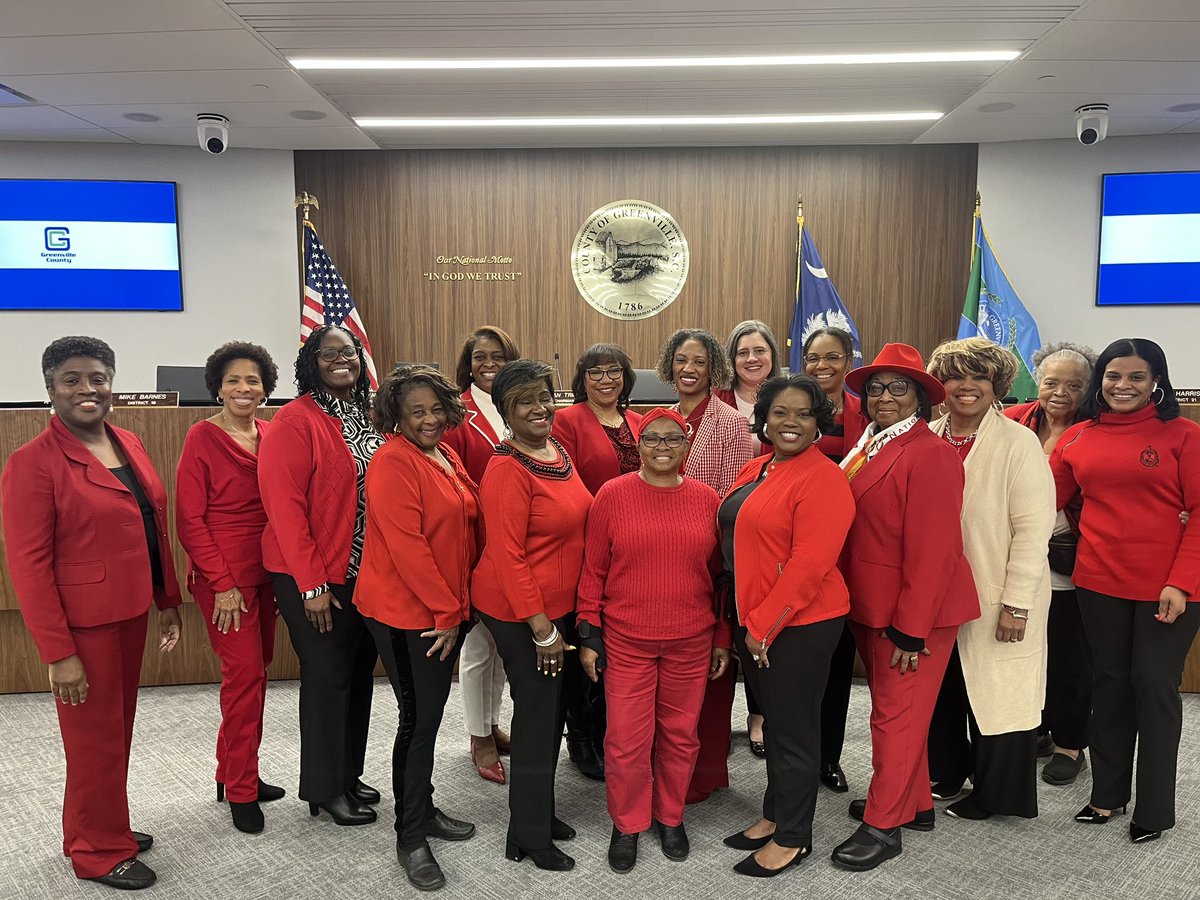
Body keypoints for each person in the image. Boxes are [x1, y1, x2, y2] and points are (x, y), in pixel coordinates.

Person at [1, 337, 183, 891]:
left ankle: (101, 826)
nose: (88, 389)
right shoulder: (31, 464)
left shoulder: (127, 440)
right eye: (72, 379)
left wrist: (167, 601)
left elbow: (151, 523)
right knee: (94, 741)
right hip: (83, 628)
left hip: (128, 612)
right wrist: (59, 653)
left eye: (98, 377)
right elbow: (29, 568)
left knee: (113, 733)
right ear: (49, 388)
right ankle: (98, 853)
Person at [829, 343, 979, 873]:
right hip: (871, 605)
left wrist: (911, 630)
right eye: (875, 388)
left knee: (893, 719)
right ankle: (913, 804)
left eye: (897, 388)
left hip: (915, 614)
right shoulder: (867, 443)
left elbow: (935, 551)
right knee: (902, 715)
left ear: (919, 396)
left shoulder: (930, 452)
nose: (883, 397)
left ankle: (883, 824)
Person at [1050, 338, 1200, 844]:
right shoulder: (1078, 438)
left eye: (1137, 377)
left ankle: (1154, 808)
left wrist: (1180, 582)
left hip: (1170, 588)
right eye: (1114, 376)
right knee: (1109, 685)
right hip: (1098, 582)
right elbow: (1041, 499)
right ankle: (1107, 795)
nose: (1123, 386)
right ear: (1101, 381)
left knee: (1154, 686)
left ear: (1157, 381)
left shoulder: (1184, 436)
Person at [576, 407, 728, 874]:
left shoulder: (708, 500)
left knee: (681, 737)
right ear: (637, 446)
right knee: (625, 738)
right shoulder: (612, 495)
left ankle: (670, 816)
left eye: (673, 439)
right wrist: (588, 633)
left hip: (691, 638)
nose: (663, 448)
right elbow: (593, 571)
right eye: (652, 439)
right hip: (626, 639)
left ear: (687, 446)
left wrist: (722, 636)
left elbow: (721, 577)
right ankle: (628, 823)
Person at [719, 374, 855, 878]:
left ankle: (795, 837)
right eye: (780, 412)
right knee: (776, 724)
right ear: (765, 419)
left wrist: (764, 627)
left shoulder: (824, 477)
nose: (790, 422)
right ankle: (776, 814)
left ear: (819, 420)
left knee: (794, 732)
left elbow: (809, 565)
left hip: (798, 624)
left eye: (802, 413)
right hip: (753, 616)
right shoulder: (759, 467)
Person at [355, 365, 479, 891]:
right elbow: (408, 548)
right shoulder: (391, 462)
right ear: (396, 418)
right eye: (416, 413)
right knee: (418, 721)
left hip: (442, 609)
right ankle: (410, 837)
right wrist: (447, 613)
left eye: (435, 409)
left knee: (427, 715)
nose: (429, 420)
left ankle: (423, 809)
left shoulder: (444, 454)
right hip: (409, 615)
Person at [924, 337, 1056, 820]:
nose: (966, 386)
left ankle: (998, 795)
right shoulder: (926, 434)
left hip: (998, 594)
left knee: (1000, 693)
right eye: (956, 375)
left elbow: (1033, 531)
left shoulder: (1017, 443)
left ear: (996, 385)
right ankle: (946, 772)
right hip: (936, 595)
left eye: (979, 377)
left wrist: (1017, 603)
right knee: (945, 688)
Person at [471, 360, 593, 871]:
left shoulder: (555, 451)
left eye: (545, 396)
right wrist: (541, 629)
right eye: (525, 401)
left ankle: (537, 808)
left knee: (552, 711)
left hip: (557, 606)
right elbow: (506, 556)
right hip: (521, 611)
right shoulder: (506, 470)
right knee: (539, 713)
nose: (540, 408)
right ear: (505, 411)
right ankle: (527, 834)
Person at [258, 324, 381, 826]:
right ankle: (324, 788)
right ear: (311, 362)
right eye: (328, 353)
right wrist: (312, 585)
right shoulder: (295, 420)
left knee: (357, 676)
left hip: (363, 574)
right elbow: (285, 511)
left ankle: (347, 774)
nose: (341, 360)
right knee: (328, 677)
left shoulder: (365, 415)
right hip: (312, 576)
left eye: (348, 352)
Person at [175, 341, 284, 835]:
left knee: (255, 674)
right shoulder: (202, 437)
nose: (245, 388)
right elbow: (188, 520)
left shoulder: (271, 433)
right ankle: (241, 789)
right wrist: (221, 584)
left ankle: (234, 772)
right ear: (218, 386)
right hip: (224, 581)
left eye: (254, 380)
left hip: (265, 574)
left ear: (266, 388)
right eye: (235, 380)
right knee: (243, 678)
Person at [656, 328, 753, 804]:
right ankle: (669, 765)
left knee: (712, 672)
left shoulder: (732, 424)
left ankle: (706, 770)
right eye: (680, 360)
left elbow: (734, 498)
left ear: (713, 366)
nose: (687, 368)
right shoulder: (659, 419)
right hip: (662, 558)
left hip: (710, 554)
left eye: (697, 360)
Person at [1005, 342, 1097, 786]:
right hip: (1017, 553)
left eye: (1074, 385)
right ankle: (1039, 728)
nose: (1060, 392)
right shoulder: (1013, 419)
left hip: (1068, 557)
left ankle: (1070, 743)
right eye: (1051, 382)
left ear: (1088, 389)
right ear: (1037, 383)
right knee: (1026, 649)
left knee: (1067, 656)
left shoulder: (1097, 430)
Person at [553, 343, 644, 781]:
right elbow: (564, 482)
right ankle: (582, 736)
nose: (605, 379)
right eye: (595, 372)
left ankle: (612, 731)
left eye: (613, 371)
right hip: (587, 544)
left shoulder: (641, 422)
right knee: (583, 642)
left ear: (626, 376)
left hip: (635, 554)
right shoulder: (567, 420)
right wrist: (613, 519)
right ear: (581, 378)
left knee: (620, 644)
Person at [442, 325, 520, 784]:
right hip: (476, 543)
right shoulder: (456, 414)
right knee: (476, 647)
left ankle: (492, 721)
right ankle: (479, 736)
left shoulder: (522, 404)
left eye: (498, 357)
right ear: (467, 364)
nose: (488, 365)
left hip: (515, 544)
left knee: (503, 645)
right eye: (479, 357)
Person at [802, 325, 867, 793]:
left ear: (848, 361)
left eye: (832, 358)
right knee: (799, 667)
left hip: (852, 550)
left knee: (838, 663)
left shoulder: (868, 413)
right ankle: (794, 755)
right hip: (799, 548)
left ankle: (828, 757)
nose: (821, 367)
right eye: (813, 358)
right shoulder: (789, 403)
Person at [714, 320, 781, 757]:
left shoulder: (786, 396)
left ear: (772, 355)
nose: (751, 359)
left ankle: (759, 715)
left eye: (759, 350)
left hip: (773, 528)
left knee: (763, 624)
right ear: (731, 360)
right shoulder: (717, 403)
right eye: (742, 352)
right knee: (729, 624)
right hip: (727, 520)